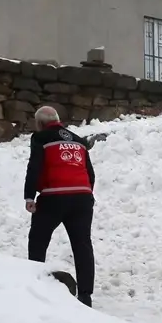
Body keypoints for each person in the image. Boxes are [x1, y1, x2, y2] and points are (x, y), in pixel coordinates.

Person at [24, 106, 97, 307]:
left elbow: (34, 166)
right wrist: (86, 193)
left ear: (39, 124)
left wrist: (29, 196)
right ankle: (85, 296)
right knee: (82, 245)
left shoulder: (40, 138)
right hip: (82, 197)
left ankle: (35, 285)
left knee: (38, 240)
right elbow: (90, 173)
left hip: (53, 197)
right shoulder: (78, 141)